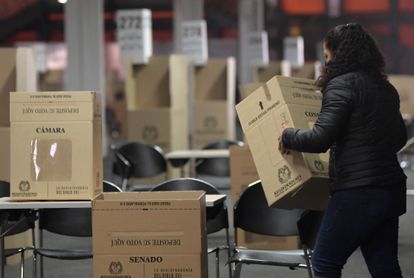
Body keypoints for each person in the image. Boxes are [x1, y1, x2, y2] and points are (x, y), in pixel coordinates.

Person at [279, 23, 407, 278]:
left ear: (338, 54)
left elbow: (319, 139)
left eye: (327, 57)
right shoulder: (385, 88)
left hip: (358, 191)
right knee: (385, 268)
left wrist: (286, 134)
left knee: (325, 262)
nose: (326, 64)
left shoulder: (340, 85)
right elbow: (400, 138)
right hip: (390, 190)